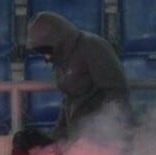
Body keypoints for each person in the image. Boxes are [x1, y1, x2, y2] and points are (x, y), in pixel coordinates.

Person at [27, 11, 131, 141]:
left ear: (58, 41)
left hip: (104, 137)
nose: (46, 56)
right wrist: (55, 140)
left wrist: (105, 131)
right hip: (80, 135)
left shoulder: (92, 46)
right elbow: (69, 102)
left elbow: (116, 92)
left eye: (46, 50)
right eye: (41, 52)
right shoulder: (61, 59)